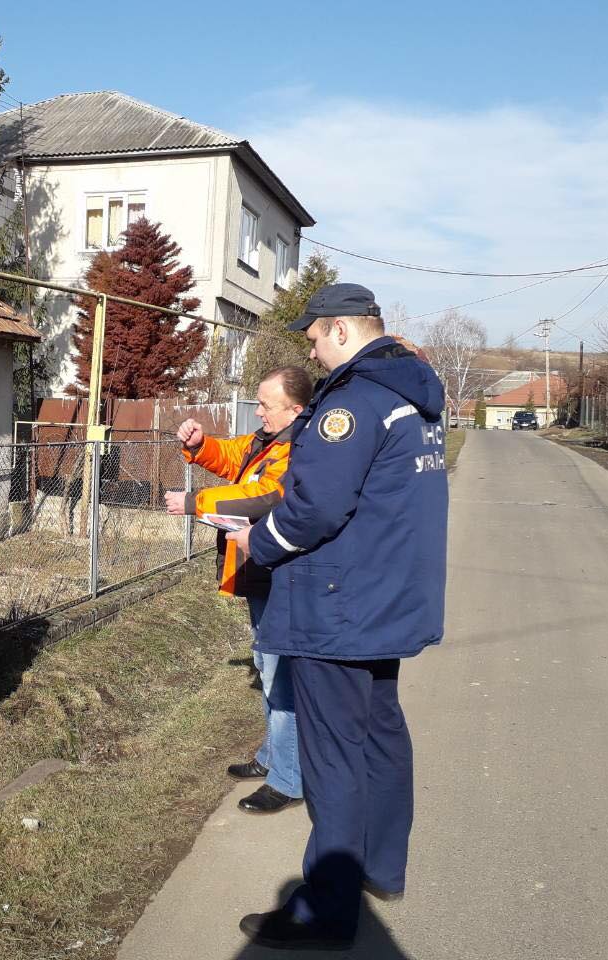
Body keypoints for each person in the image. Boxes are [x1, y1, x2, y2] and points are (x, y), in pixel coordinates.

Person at [227, 283, 448, 950]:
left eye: (318, 337)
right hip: (386, 598)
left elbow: (317, 507)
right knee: (380, 733)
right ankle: (381, 867)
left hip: (338, 605)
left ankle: (326, 910)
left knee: (333, 759)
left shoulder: (352, 404)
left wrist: (257, 545)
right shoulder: (415, 394)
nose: (315, 351)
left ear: (345, 330)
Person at [164, 366, 313, 814]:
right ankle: (273, 756)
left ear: (296, 409)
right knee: (268, 665)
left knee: (279, 673)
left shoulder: (300, 450)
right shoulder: (268, 439)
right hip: (260, 569)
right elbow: (232, 457)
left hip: (280, 571)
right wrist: (198, 445)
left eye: (266, 404)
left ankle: (289, 780)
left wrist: (194, 503)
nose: (259, 411)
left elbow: (266, 497)